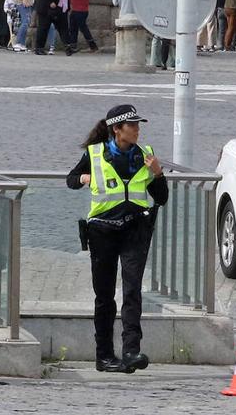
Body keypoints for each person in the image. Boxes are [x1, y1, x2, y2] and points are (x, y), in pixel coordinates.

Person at [66, 104, 167, 374]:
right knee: (105, 295)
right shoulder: (96, 153)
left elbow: (163, 198)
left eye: (138, 125)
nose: (137, 129)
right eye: (131, 125)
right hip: (102, 231)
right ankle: (104, 356)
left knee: (133, 290)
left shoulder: (146, 155)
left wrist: (158, 173)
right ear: (117, 129)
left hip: (135, 229)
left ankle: (131, 350)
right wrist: (83, 178)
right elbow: (71, 179)